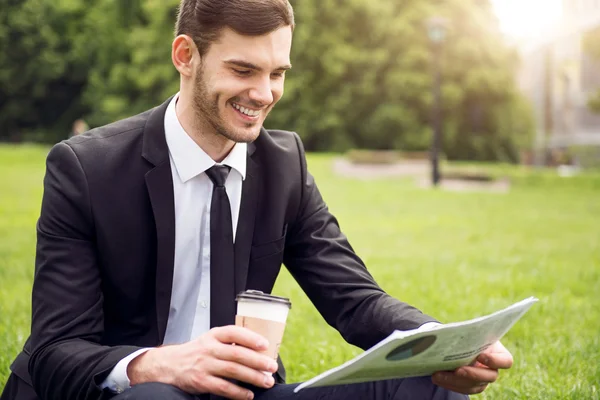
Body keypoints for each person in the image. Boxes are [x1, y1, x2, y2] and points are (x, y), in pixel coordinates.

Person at [0, 1, 514, 399]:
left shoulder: (282, 163)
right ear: (186, 56)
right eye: (244, 71)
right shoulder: (86, 169)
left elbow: (354, 300)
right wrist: (162, 363)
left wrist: (441, 344)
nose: (265, 93)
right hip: (131, 391)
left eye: (277, 73)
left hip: (242, 393)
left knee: (422, 382)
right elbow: (54, 351)